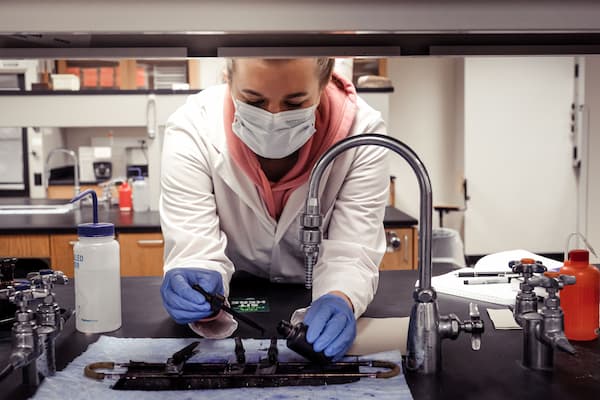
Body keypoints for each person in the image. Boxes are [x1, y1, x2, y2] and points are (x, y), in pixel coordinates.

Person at [159, 57, 388, 360]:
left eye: (295, 103)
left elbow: (352, 251)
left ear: (323, 84)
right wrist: (195, 271)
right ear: (228, 77)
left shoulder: (363, 133)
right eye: (253, 100)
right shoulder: (193, 128)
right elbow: (194, 243)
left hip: (316, 297)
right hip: (236, 297)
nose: (273, 118)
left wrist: (341, 296)